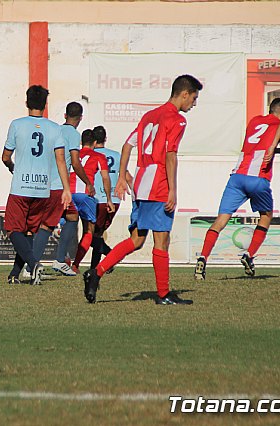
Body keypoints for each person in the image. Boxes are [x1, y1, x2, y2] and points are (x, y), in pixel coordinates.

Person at [83, 74, 203, 305]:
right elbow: (170, 155)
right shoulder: (177, 120)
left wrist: (122, 176)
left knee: (137, 239)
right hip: (157, 184)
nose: (194, 104)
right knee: (162, 240)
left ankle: (96, 273)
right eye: (194, 98)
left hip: (141, 183)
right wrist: (173, 190)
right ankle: (163, 294)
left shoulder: (150, 116)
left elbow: (128, 144)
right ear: (185, 94)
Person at [194, 98, 280, 280]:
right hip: (258, 178)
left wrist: (279, 150)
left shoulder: (255, 121)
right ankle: (249, 255)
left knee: (220, 220)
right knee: (266, 216)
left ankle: (202, 258)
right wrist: (274, 146)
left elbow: (258, 146)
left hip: (237, 177)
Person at [2, 85, 72, 285]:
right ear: (45, 105)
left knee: (13, 229)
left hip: (21, 187)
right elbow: (60, 159)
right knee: (29, 231)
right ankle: (14, 275)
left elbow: (5, 156)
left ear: (26, 103)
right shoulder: (54, 128)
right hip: (43, 189)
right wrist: (66, 189)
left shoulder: (17, 124)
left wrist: (11, 165)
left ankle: (33, 264)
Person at [24, 101, 94, 278]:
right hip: (57, 186)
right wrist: (88, 182)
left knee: (63, 218)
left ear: (65, 115)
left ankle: (37, 264)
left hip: (43, 183)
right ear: (80, 118)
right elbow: (75, 162)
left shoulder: (53, 129)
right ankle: (50, 262)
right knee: (51, 224)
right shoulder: (73, 134)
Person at [69, 129, 114, 272]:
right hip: (85, 195)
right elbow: (105, 178)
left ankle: (62, 257)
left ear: (81, 142)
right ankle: (75, 265)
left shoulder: (72, 155)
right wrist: (108, 199)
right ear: (95, 142)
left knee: (66, 225)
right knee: (89, 231)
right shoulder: (99, 156)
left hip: (69, 193)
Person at [90, 125, 128, 270]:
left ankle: (111, 255)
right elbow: (126, 175)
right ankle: (97, 267)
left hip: (98, 199)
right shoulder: (116, 155)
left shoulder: (91, 155)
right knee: (98, 235)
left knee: (92, 236)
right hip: (115, 199)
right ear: (105, 139)